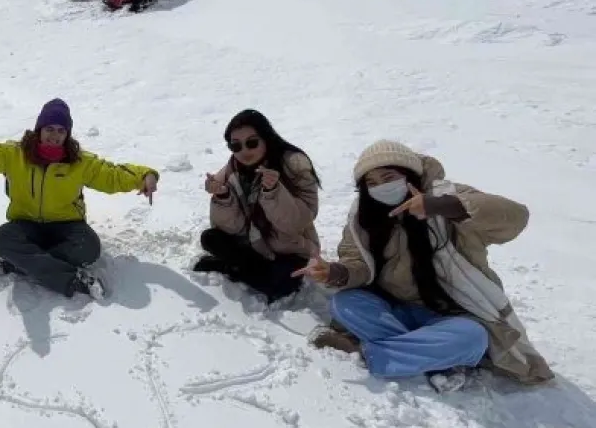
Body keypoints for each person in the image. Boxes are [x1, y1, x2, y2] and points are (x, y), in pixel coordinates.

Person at [295, 140, 553, 392]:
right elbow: (357, 262)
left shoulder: (446, 197)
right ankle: (430, 354)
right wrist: (335, 273)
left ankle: (366, 353)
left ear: (409, 174)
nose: (380, 188)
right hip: (398, 309)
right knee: (345, 303)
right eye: (371, 183)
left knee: (473, 337)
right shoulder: (364, 215)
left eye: (388, 177)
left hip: (454, 315)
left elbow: (516, 217)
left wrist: (441, 207)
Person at [0, 98, 159, 299]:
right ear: (39, 129)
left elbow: (111, 175)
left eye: (60, 130)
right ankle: (72, 281)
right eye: (49, 129)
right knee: (1, 239)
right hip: (26, 224)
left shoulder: (79, 162)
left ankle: (19, 264)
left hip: (67, 227)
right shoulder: (14, 154)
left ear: (67, 135)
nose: (54, 135)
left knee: (90, 248)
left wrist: (144, 176)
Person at [194, 109, 321, 303]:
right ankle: (244, 268)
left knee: (280, 285)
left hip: (289, 248)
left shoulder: (294, 165)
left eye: (252, 143)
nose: (244, 151)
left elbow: (296, 223)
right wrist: (223, 197)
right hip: (252, 243)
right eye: (236, 146)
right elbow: (230, 227)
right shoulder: (234, 168)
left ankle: (233, 267)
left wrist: (273, 193)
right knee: (210, 238)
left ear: (266, 138)